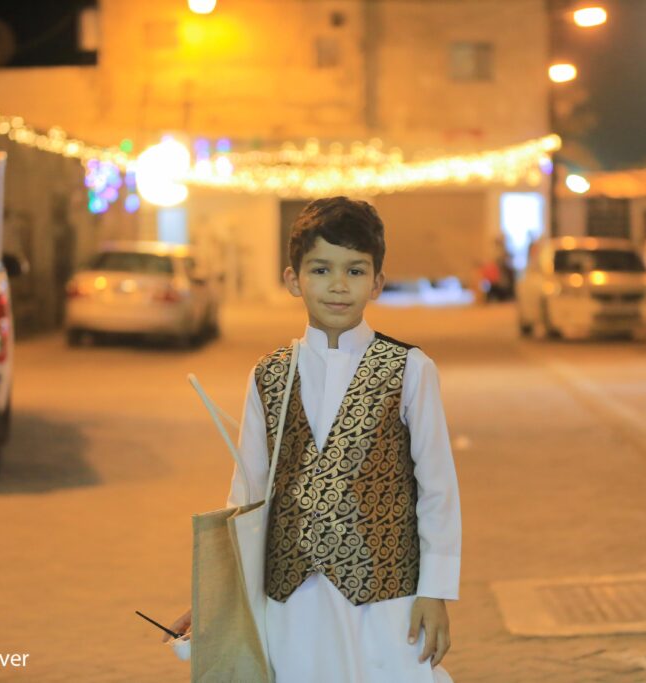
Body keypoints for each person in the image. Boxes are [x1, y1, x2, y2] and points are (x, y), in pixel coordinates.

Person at [173, 197, 462, 682]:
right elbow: (246, 495)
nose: (338, 285)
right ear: (294, 279)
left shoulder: (410, 369)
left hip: (385, 598)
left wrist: (435, 591)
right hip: (293, 602)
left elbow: (438, 489)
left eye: (355, 271)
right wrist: (219, 600)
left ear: (377, 283)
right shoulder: (269, 375)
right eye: (322, 269)